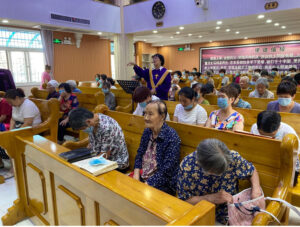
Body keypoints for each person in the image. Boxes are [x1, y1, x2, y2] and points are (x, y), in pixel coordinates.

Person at [177, 138, 261, 225]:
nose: (220, 175)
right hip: (201, 214)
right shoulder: (188, 166)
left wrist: (256, 189)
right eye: (216, 173)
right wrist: (210, 198)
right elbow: (185, 201)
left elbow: (252, 171)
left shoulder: (232, 157)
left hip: (232, 212)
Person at [132, 100, 180, 195]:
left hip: (162, 184)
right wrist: (136, 174)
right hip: (144, 175)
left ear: (162, 116)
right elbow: (140, 154)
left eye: (150, 114)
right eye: (145, 113)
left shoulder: (172, 137)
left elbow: (166, 171)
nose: (146, 117)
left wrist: (146, 185)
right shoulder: (147, 132)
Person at [250, 110, 299, 185]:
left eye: (271, 136)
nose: (266, 137)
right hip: (262, 158)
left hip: (283, 162)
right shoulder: (254, 128)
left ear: (279, 126)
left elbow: (295, 155)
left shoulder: (289, 133)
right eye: (262, 134)